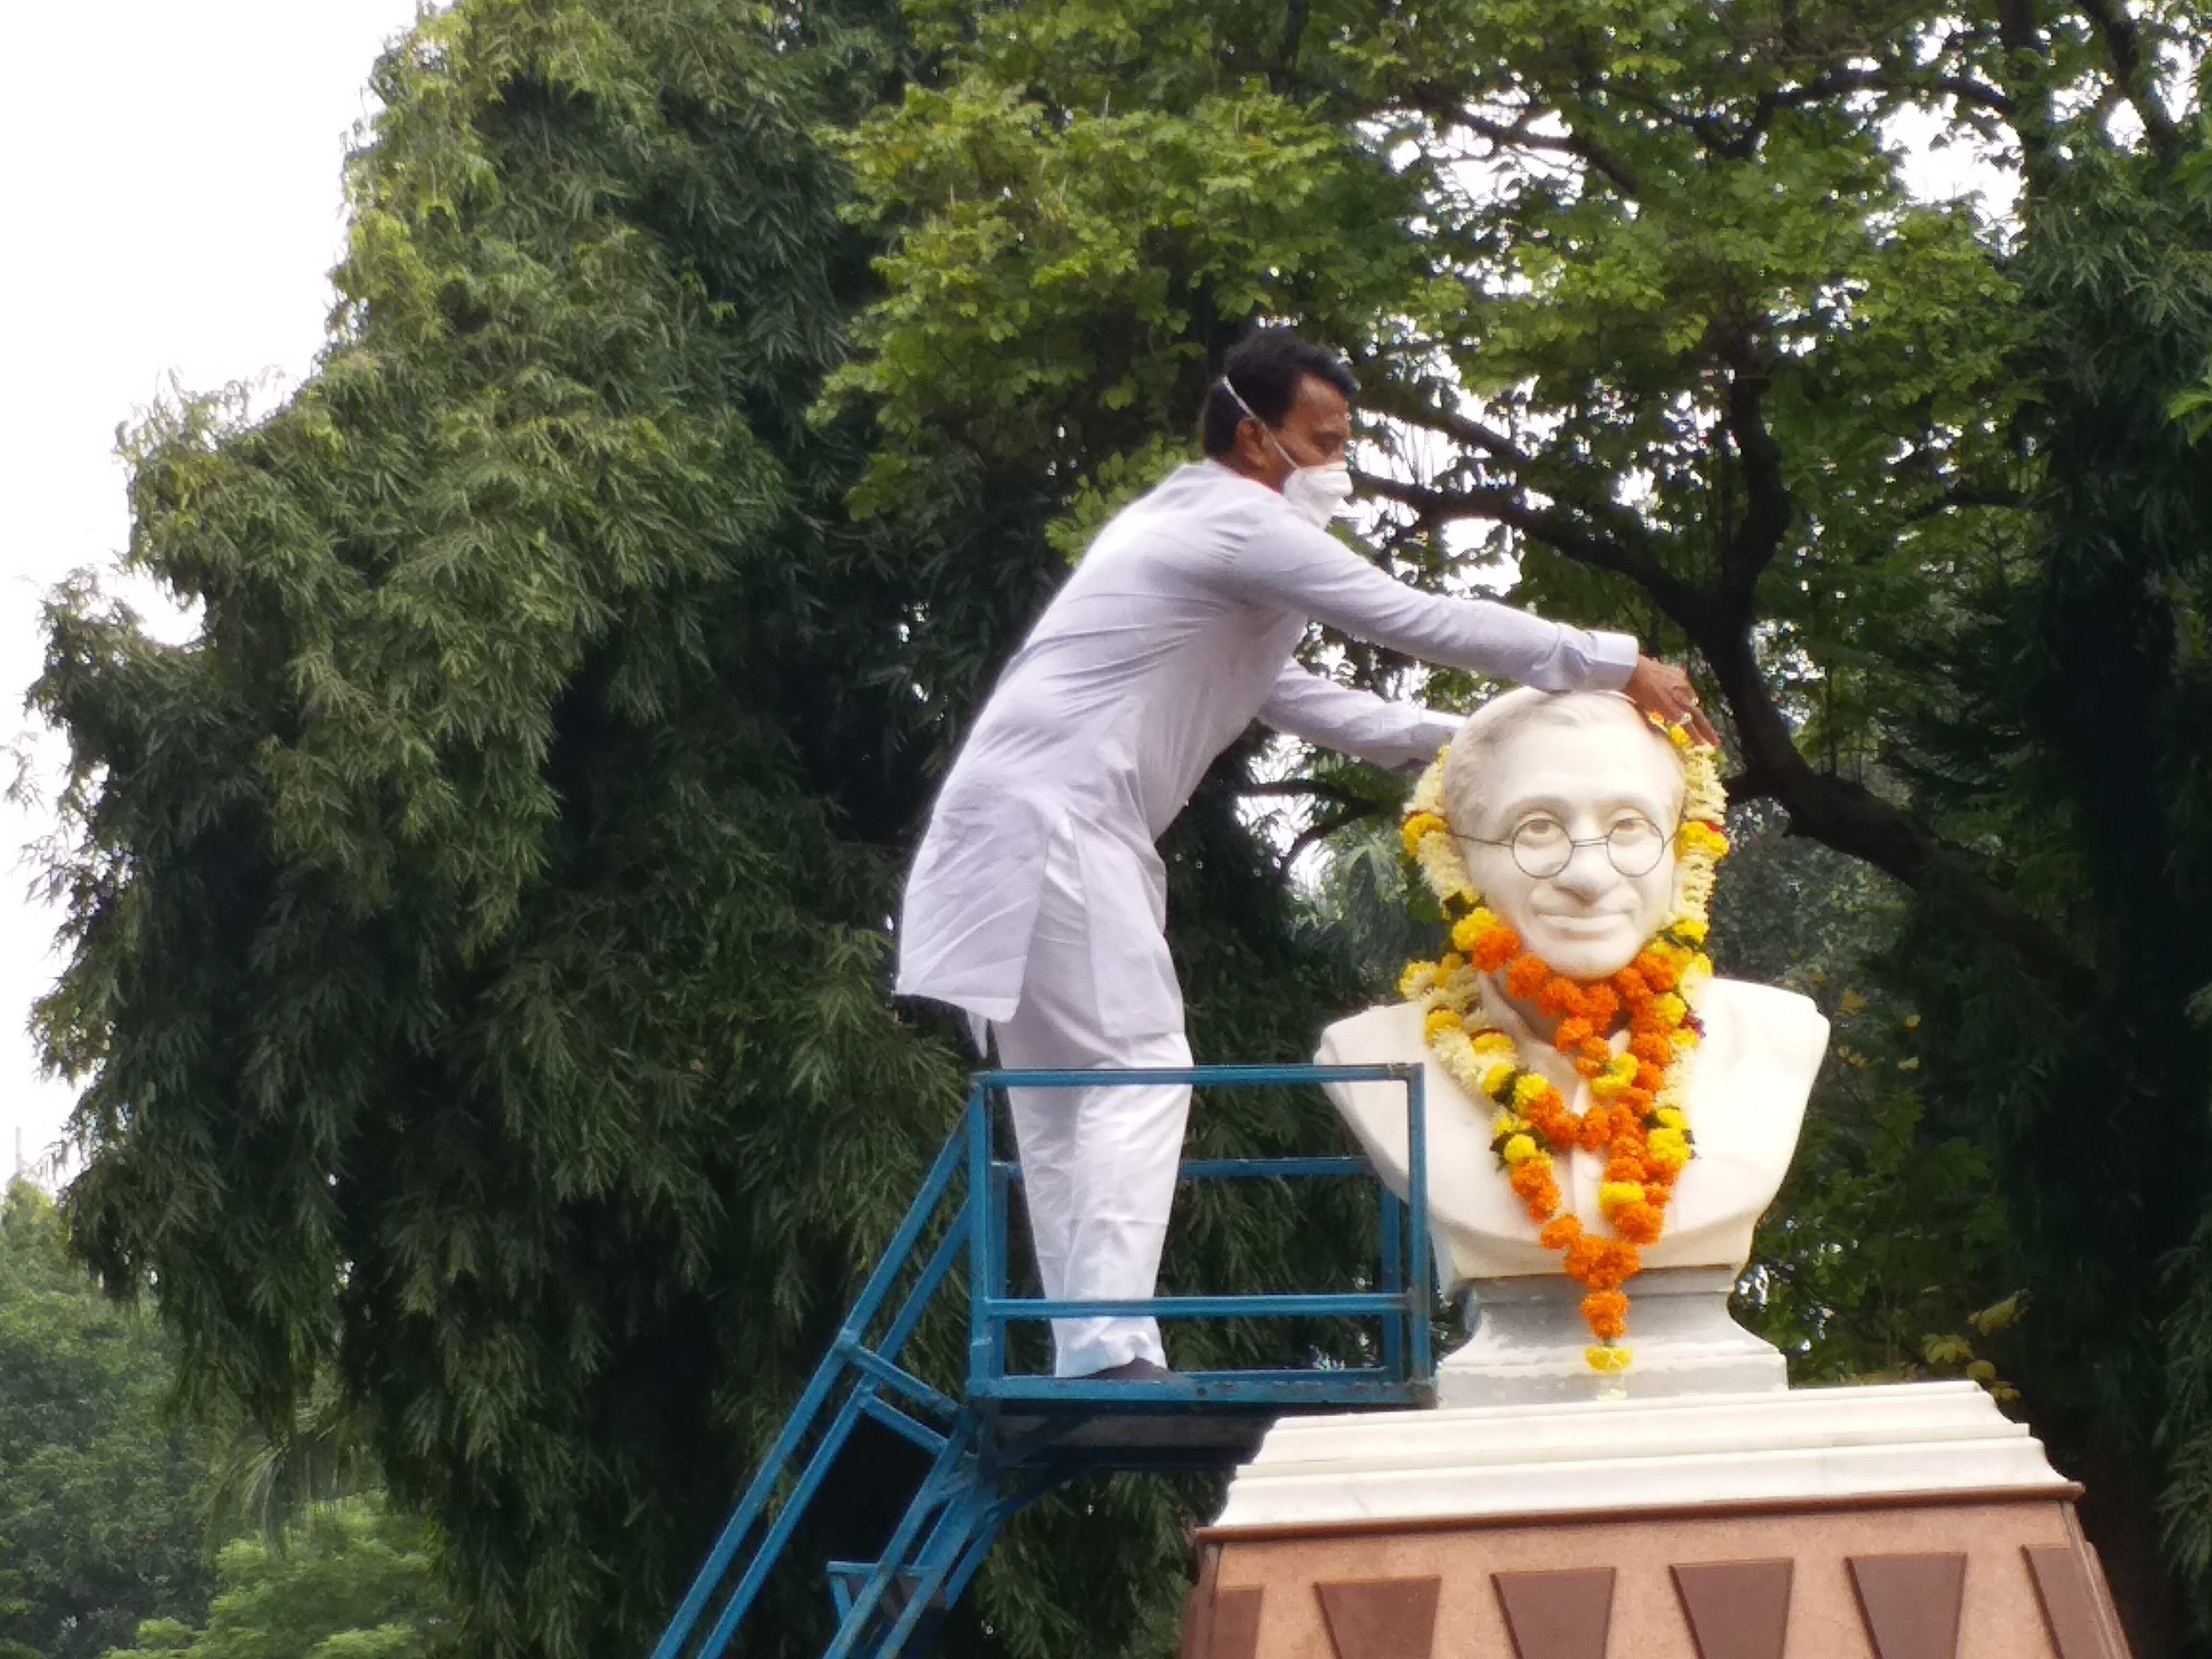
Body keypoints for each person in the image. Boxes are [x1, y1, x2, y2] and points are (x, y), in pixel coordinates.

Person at [895, 330, 1707, 1381]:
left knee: (1063, 1095)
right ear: (1253, 434)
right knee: (1139, 1064)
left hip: (1025, 815)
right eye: (1323, 441)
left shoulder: (1191, 544)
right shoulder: (1231, 522)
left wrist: (1469, 743)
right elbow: (1417, 617)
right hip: (1059, 814)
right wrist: (1612, 664)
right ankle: (1101, 1346)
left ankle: (1087, 1342)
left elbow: (1303, 701)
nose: (1339, 465)